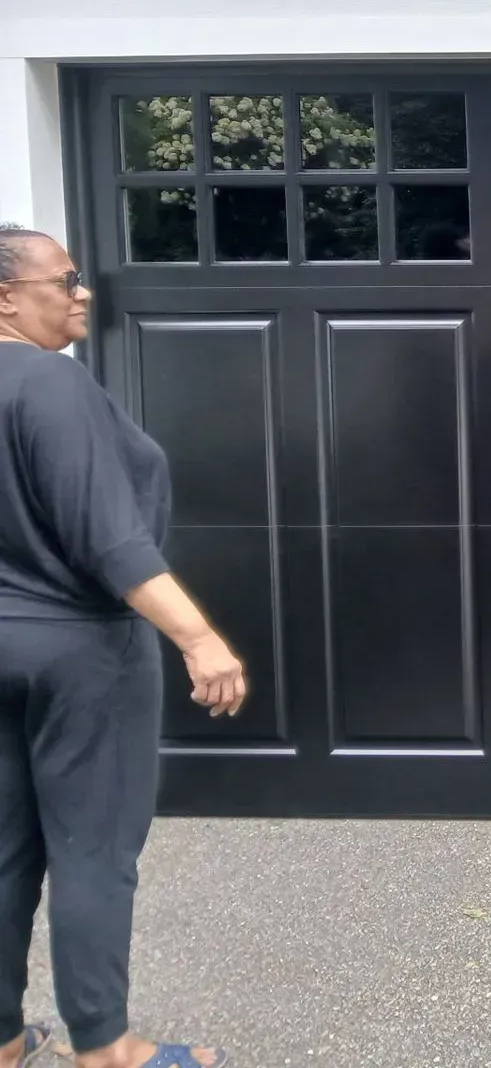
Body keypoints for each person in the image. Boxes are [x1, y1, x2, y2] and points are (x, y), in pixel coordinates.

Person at [0, 225, 246, 1068]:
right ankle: (107, 1049)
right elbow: (109, 539)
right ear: (5, 296)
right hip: (79, 651)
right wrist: (199, 636)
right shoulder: (50, 386)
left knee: (3, 849)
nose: (83, 291)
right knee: (92, 853)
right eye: (63, 278)